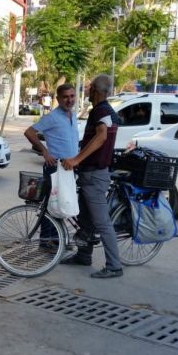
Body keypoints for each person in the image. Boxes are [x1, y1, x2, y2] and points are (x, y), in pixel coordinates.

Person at [62, 74, 122, 279]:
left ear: (96, 90)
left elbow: (102, 135)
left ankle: (114, 266)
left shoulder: (102, 110)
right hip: (91, 174)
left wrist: (77, 159)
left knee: (102, 222)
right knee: (85, 219)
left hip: (95, 176)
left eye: (89, 88)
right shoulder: (103, 110)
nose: (86, 90)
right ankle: (83, 256)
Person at [24, 83, 80, 249]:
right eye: (65, 97)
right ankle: (46, 240)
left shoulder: (73, 115)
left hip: (69, 167)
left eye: (72, 96)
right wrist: (44, 151)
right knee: (51, 203)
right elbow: (29, 132)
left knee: (62, 203)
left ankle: (55, 239)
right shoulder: (52, 117)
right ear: (58, 99)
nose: (69, 100)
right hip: (55, 166)